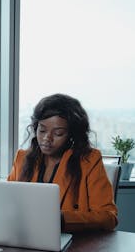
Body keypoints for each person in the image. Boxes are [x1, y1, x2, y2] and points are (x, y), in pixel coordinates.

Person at [7, 93, 118, 232]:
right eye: (42, 130)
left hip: (72, 244)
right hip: (25, 237)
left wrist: (61, 219)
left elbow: (108, 217)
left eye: (58, 133)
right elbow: (8, 203)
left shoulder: (89, 160)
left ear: (72, 135)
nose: (47, 138)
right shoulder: (22, 158)